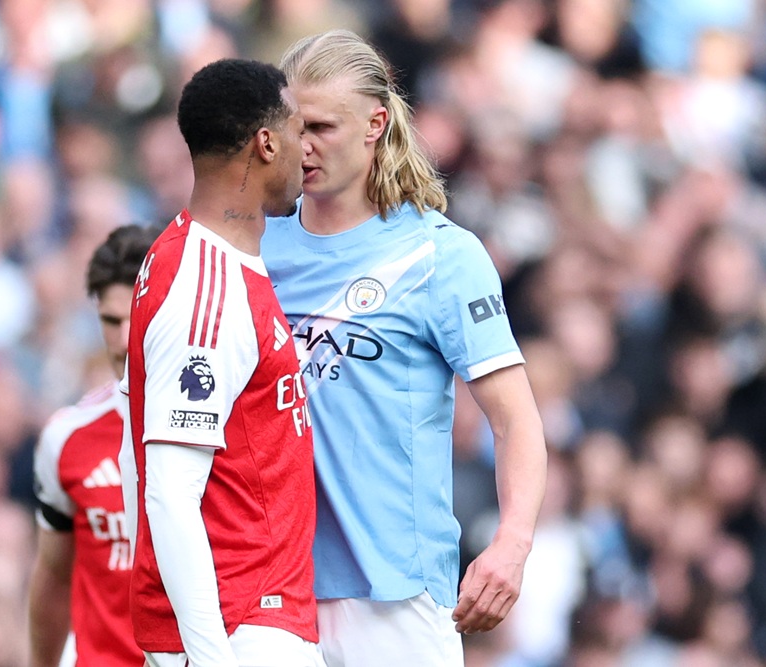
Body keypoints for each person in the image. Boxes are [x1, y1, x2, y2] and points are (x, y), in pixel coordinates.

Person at [260, 29, 549, 667]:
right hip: (268, 590)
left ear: (375, 123)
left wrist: (512, 543)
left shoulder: (440, 255)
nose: (301, 146)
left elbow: (515, 420)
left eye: (322, 127)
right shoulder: (254, 246)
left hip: (393, 596)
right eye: (290, 126)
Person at [120, 58, 322, 667]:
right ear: (265, 143)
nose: (304, 148)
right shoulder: (206, 292)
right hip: (240, 627)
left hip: (250, 619)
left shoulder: (206, 261)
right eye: (296, 129)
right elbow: (171, 495)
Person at [29, 223, 160, 667]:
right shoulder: (66, 437)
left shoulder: (228, 431)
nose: (124, 339)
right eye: (110, 320)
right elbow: (52, 577)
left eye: (137, 316)